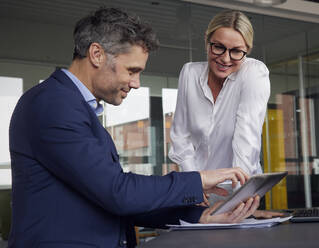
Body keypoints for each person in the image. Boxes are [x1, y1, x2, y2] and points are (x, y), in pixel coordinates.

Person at [8, 7, 261, 248]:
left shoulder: (73, 107)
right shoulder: (53, 104)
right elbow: (117, 192)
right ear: (96, 54)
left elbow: (112, 199)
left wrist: (201, 216)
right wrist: (198, 179)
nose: (137, 83)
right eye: (132, 70)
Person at [169, 10, 270, 176]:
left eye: (236, 51)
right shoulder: (190, 73)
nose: (225, 59)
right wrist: (195, 184)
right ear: (207, 40)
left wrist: (239, 193)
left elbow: (247, 140)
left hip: (239, 185)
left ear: (248, 50)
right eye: (218, 47)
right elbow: (180, 137)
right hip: (200, 187)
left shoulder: (253, 73)